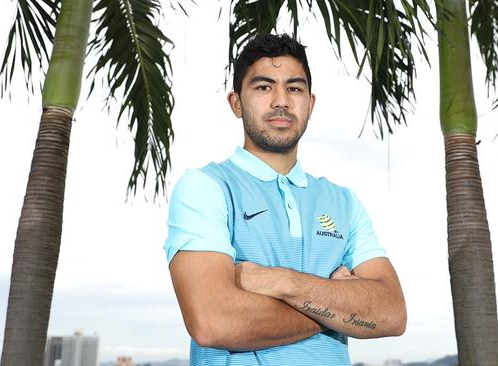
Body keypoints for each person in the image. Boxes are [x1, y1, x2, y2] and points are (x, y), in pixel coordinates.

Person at [164, 33, 406, 366]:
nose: (281, 101)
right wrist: (336, 308)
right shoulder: (206, 187)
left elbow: (391, 313)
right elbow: (212, 321)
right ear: (236, 103)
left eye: (294, 88)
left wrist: (275, 281)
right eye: (264, 87)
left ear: (311, 103)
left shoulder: (343, 202)